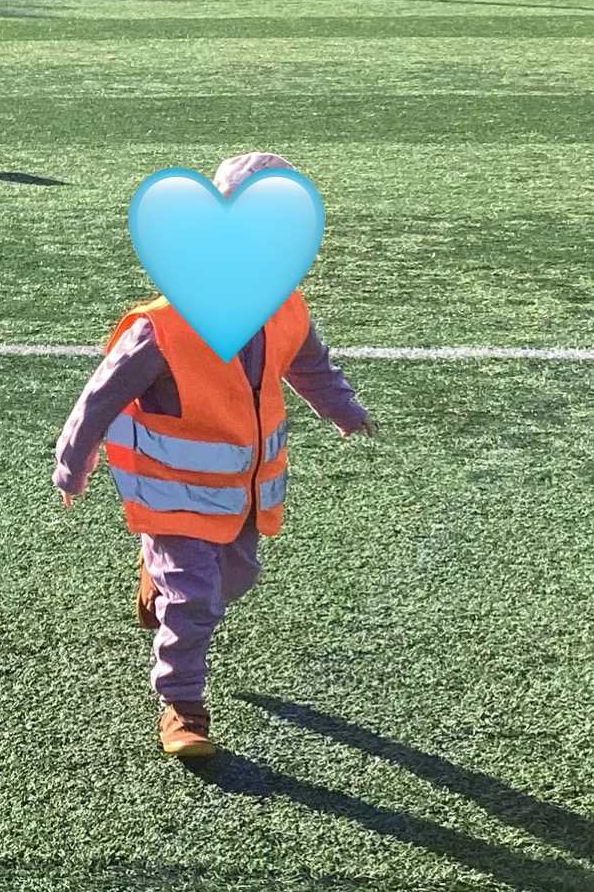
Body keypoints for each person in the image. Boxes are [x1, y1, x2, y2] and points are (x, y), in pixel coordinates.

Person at [53, 151, 377, 759]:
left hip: (242, 492)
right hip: (171, 494)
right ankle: (182, 705)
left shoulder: (286, 306)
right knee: (196, 597)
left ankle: (157, 581)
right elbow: (101, 396)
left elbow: (309, 364)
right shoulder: (163, 327)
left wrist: (341, 407)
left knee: (234, 578)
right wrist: (73, 462)